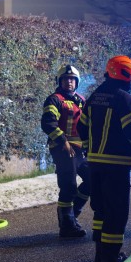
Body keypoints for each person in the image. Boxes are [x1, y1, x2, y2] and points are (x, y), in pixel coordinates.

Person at [77, 55, 131, 262]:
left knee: (101, 209)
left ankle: (100, 253)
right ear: (123, 74)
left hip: (95, 163)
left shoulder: (95, 96)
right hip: (117, 164)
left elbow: (81, 126)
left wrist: (89, 147)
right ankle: (111, 256)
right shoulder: (125, 98)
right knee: (117, 211)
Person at [41, 64, 89, 238]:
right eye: (66, 79)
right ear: (60, 81)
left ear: (76, 82)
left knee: (91, 179)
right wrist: (63, 141)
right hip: (62, 149)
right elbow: (48, 122)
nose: (69, 82)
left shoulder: (82, 100)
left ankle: (72, 214)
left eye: (72, 79)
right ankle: (67, 226)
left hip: (80, 150)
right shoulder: (54, 99)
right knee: (68, 185)